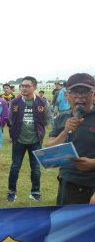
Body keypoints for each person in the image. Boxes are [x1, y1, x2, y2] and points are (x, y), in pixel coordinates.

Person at [47, 73, 95, 205]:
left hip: (93, 184)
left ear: (93, 95)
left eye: (85, 92)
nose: (80, 97)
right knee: (67, 222)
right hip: (69, 182)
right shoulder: (62, 118)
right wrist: (65, 132)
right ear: (66, 95)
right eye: (74, 92)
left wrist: (92, 163)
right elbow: (49, 147)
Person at [7, 76, 51, 202]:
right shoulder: (15, 102)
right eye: (22, 86)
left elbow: (47, 120)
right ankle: (11, 192)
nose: (24, 88)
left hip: (36, 142)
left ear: (35, 87)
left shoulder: (43, 103)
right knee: (15, 167)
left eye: (27, 86)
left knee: (36, 169)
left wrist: (39, 132)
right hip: (18, 141)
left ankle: (35, 192)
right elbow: (10, 119)